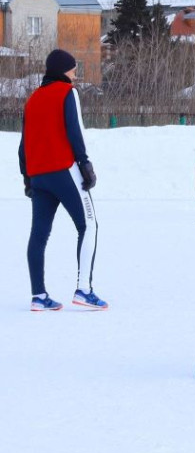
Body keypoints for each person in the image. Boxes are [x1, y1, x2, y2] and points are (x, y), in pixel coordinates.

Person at [19, 49, 107, 312]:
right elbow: (74, 130)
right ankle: (83, 290)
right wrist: (85, 164)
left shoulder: (32, 99)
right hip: (64, 170)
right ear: (62, 71)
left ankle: (38, 296)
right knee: (88, 225)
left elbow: (23, 145)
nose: (75, 74)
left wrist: (27, 178)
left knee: (39, 234)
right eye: (72, 69)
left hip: (38, 177)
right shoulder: (67, 93)